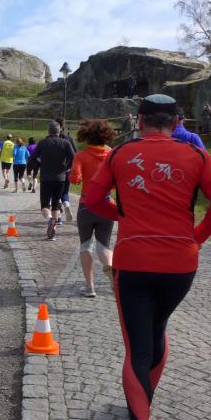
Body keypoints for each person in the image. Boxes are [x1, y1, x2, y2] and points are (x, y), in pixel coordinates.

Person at [83, 94, 211, 420]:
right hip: (181, 264)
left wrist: (123, 215)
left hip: (134, 261)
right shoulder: (196, 154)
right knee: (158, 330)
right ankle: (143, 405)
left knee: (137, 346)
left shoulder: (121, 153)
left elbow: (92, 198)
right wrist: (197, 238)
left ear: (140, 120)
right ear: (177, 121)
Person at [69, 120, 116, 297]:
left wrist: (79, 177)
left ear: (86, 136)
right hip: (107, 205)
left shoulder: (81, 155)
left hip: (86, 204)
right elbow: (115, 181)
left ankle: (90, 287)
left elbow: (74, 179)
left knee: (85, 245)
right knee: (104, 245)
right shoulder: (111, 154)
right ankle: (110, 269)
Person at [30, 121, 75, 240]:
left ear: (48, 131)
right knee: (55, 205)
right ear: (59, 131)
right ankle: (52, 232)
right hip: (61, 178)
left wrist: (40, 164)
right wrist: (66, 167)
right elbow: (74, 157)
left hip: (46, 178)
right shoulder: (65, 143)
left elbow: (32, 158)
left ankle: (50, 220)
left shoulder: (42, 143)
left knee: (45, 205)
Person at [58, 118, 78, 224]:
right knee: (65, 192)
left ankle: (58, 218)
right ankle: (66, 204)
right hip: (67, 169)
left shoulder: (53, 139)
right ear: (63, 126)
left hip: (56, 171)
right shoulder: (69, 138)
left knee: (55, 194)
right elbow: (75, 154)